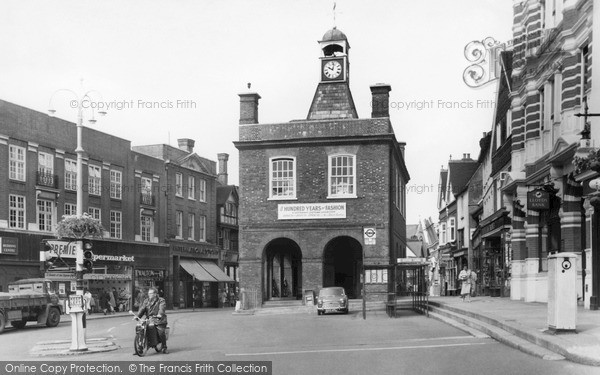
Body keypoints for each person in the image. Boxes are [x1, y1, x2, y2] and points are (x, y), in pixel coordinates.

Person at [137, 287, 169, 354]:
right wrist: (137, 316)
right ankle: (139, 347)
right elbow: (142, 309)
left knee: (161, 331)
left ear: (155, 294)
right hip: (149, 319)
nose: (149, 295)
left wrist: (160, 314)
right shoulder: (146, 301)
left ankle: (164, 347)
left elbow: (161, 308)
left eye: (151, 293)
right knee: (140, 329)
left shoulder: (161, 300)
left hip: (159, 319)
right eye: (148, 293)